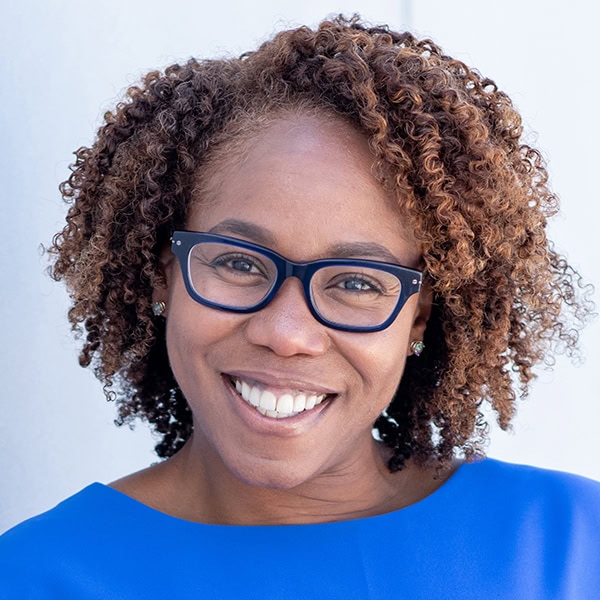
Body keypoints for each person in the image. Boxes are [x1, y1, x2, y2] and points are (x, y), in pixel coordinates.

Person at [0, 14, 598, 599]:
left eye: (358, 283)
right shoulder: (37, 577)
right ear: (165, 276)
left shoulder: (570, 545)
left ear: (417, 316)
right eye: (239, 262)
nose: (287, 334)